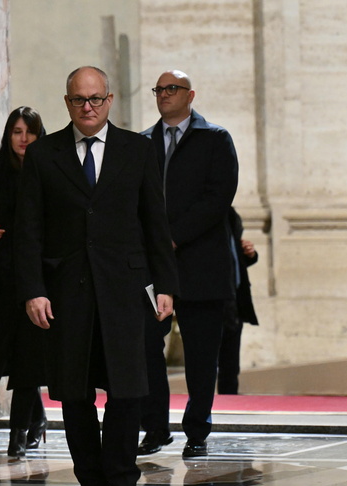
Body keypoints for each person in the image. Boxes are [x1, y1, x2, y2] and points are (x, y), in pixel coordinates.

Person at [14, 66, 178, 486]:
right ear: (67, 103)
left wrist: (166, 285)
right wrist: (33, 291)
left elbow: (154, 223)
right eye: (78, 100)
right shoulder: (44, 155)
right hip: (66, 295)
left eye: (96, 99)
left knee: (128, 393)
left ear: (109, 100)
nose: (88, 107)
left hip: (126, 291)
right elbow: (28, 232)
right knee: (75, 396)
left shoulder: (138, 150)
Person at [138, 70, 239, 458]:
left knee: (200, 354)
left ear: (190, 94)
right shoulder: (143, 142)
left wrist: (173, 236)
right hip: (153, 266)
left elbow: (218, 199)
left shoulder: (214, 139)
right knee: (148, 346)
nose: (164, 94)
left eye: (172, 89)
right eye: (159, 89)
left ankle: (197, 430)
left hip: (201, 263)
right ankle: (155, 428)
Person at [0, 106, 48, 458]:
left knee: (30, 354)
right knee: (12, 354)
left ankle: (19, 432)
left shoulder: (50, 169)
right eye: (17, 131)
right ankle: (38, 418)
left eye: (29, 131)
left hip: (38, 275)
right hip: (2, 277)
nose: (23, 138)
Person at [217, 207, 259, 394]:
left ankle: (229, 397)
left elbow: (233, 259)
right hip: (215, 295)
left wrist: (249, 255)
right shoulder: (210, 216)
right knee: (212, 358)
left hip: (234, 296)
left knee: (231, 360)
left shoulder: (231, 215)